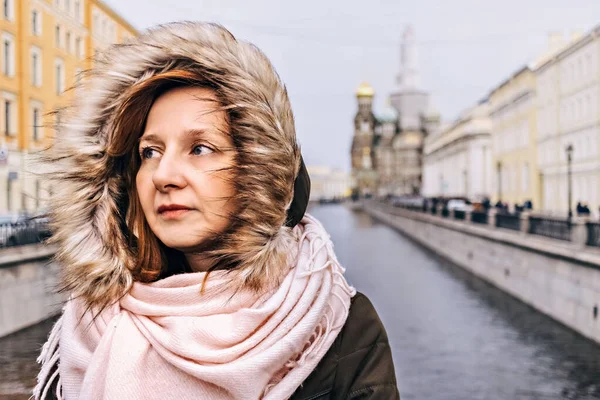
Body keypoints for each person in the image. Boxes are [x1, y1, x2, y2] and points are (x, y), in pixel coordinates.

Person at [33, 22, 399, 400]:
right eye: (149, 152)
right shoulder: (90, 323)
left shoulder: (338, 330)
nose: (164, 176)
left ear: (257, 171)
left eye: (200, 148)